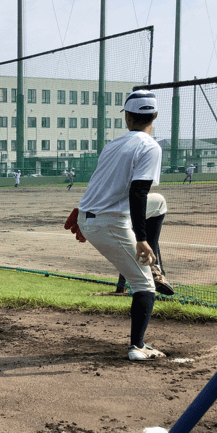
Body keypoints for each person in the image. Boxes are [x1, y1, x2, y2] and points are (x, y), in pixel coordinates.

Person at [76, 89, 165, 361]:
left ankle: (157, 264)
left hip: (92, 215)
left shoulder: (113, 145)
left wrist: (78, 211)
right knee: (143, 284)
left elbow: (102, 186)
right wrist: (141, 238)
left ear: (127, 117)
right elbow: (137, 192)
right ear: (155, 116)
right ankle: (137, 347)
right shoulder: (150, 146)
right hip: (109, 222)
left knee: (158, 203)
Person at [109, 193, 174, 297]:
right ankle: (154, 272)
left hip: (101, 216)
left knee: (132, 243)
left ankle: (123, 285)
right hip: (125, 211)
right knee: (159, 202)